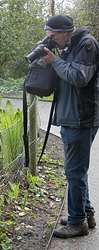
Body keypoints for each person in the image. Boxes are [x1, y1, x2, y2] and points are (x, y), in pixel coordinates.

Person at [41, 15, 99, 238]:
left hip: (81, 118)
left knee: (74, 171)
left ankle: (77, 223)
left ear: (65, 32)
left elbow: (78, 77)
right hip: (71, 117)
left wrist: (54, 61)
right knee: (76, 171)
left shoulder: (87, 44)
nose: (52, 41)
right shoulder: (70, 46)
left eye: (53, 37)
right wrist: (51, 60)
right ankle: (86, 214)